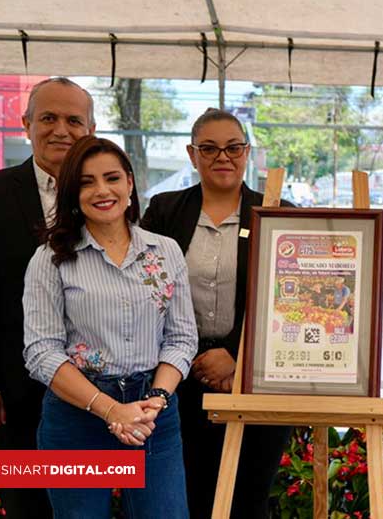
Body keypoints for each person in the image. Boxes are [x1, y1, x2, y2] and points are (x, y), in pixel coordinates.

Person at [22, 136, 197, 516]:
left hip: (154, 413)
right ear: (72, 193)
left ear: (130, 183)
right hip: (77, 417)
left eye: (112, 178)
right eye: (86, 182)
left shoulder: (165, 250)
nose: (102, 190)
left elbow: (181, 338)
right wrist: (110, 410)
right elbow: (41, 353)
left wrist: (157, 401)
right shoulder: (50, 259)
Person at [141, 108, 293, 518]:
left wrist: (234, 353)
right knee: (189, 493)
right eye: (209, 148)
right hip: (179, 378)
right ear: (192, 155)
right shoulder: (164, 211)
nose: (222, 157)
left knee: (249, 496)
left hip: (255, 379)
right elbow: (145, 290)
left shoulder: (277, 212)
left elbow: (288, 301)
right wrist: (187, 355)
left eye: (233, 147)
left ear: (247, 152)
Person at [0, 77, 96, 518]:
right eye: (48, 118)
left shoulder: (105, 194)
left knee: (85, 502)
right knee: (28, 502)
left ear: (90, 130)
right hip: (17, 389)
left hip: (98, 389)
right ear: (26, 123)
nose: (61, 130)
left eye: (74, 120)